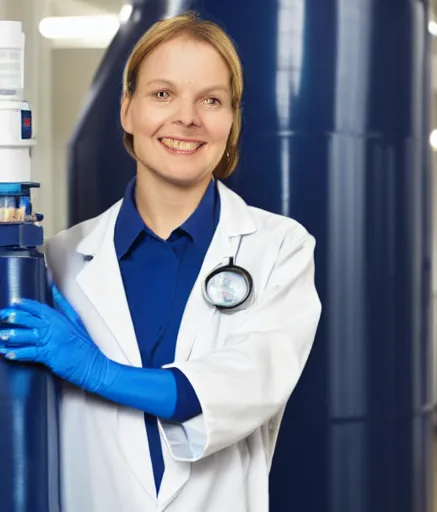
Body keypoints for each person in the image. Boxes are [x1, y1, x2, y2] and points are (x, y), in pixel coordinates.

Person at [0, 12, 321, 512]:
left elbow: (246, 384)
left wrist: (100, 372)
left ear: (232, 119)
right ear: (127, 110)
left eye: (211, 100)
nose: (187, 118)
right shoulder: (59, 260)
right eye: (163, 94)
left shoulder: (278, 249)